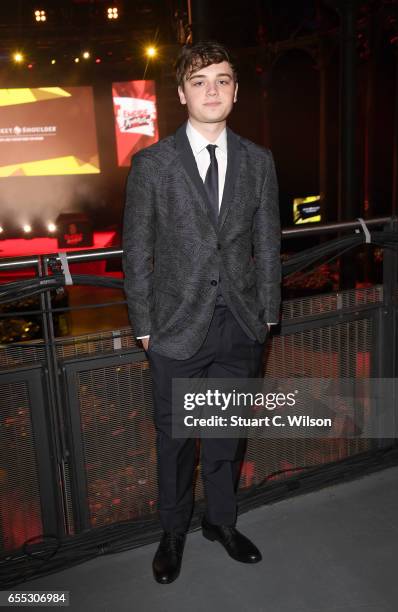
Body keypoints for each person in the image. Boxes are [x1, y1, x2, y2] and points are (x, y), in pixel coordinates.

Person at [122, 41, 281, 584]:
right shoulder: (152, 164)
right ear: (182, 92)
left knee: (224, 435)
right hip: (173, 329)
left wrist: (266, 317)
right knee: (176, 442)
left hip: (239, 324)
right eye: (199, 80)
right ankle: (173, 532)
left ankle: (221, 522)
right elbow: (136, 250)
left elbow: (268, 244)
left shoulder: (259, 161)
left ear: (235, 91)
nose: (211, 89)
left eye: (222, 79)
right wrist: (143, 326)